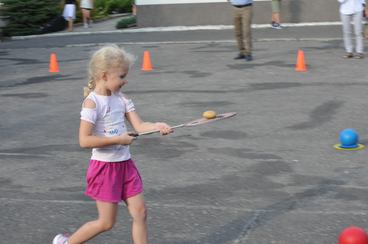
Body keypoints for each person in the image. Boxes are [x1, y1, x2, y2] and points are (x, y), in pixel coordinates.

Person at [52, 44, 173, 244]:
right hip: (105, 168)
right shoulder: (92, 103)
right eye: (122, 76)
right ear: (104, 75)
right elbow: (84, 140)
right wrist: (118, 139)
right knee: (106, 223)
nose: (125, 81)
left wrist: (158, 125)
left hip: (126, 165)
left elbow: (140, 125)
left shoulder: (122, 99)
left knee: (140, 213)